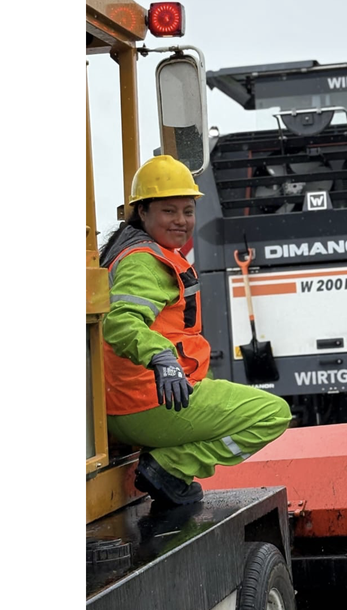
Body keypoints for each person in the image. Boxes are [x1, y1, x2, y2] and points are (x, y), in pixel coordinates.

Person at [100, 155, 292, 506]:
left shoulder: (134, 250)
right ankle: (172, 466)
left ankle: (170, 463)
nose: (181, 221)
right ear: (142, 212)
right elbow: (121, 321)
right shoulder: (145, 260)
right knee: (273, 414)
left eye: (187, 211)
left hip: (127, 403)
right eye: (168, 211)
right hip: (149, 402)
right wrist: (161, 357)